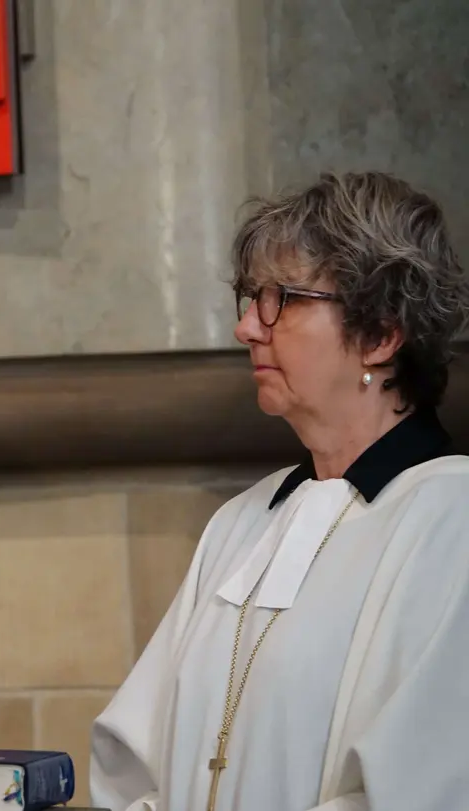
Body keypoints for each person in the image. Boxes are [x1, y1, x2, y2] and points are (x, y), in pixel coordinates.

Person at [89, 171, 469, 811]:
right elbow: (140, 767)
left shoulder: (451, 520)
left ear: (380, 333)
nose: (247, 327)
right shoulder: (243, 523)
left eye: (282, 299)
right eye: (249, 297)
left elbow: (424, 786)